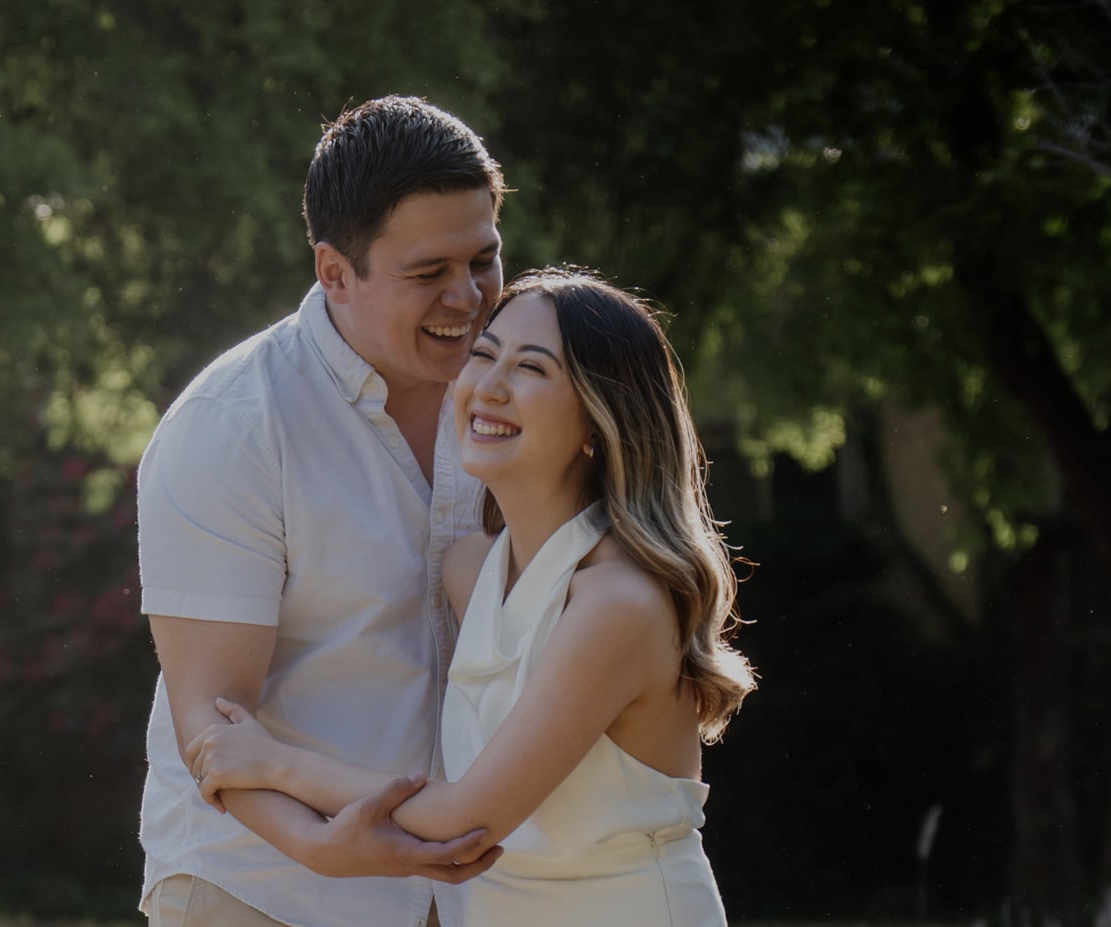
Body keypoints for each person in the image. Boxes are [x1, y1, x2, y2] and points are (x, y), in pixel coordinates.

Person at [185, 268, 758, 926]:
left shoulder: (620, 602)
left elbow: (465, 818)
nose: (487, 386)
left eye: (531, 368)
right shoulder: (469, 571)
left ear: (600, 422)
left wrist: (274, 762)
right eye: (484, 355)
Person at [135, 95, 509, 927]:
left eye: (483, 259)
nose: (468, 296)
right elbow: (212, 720)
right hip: (264, 888)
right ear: (334, 272)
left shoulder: (527, 395)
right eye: (428, 273)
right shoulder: (232, 425)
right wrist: (319, 844)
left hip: (476, 894)